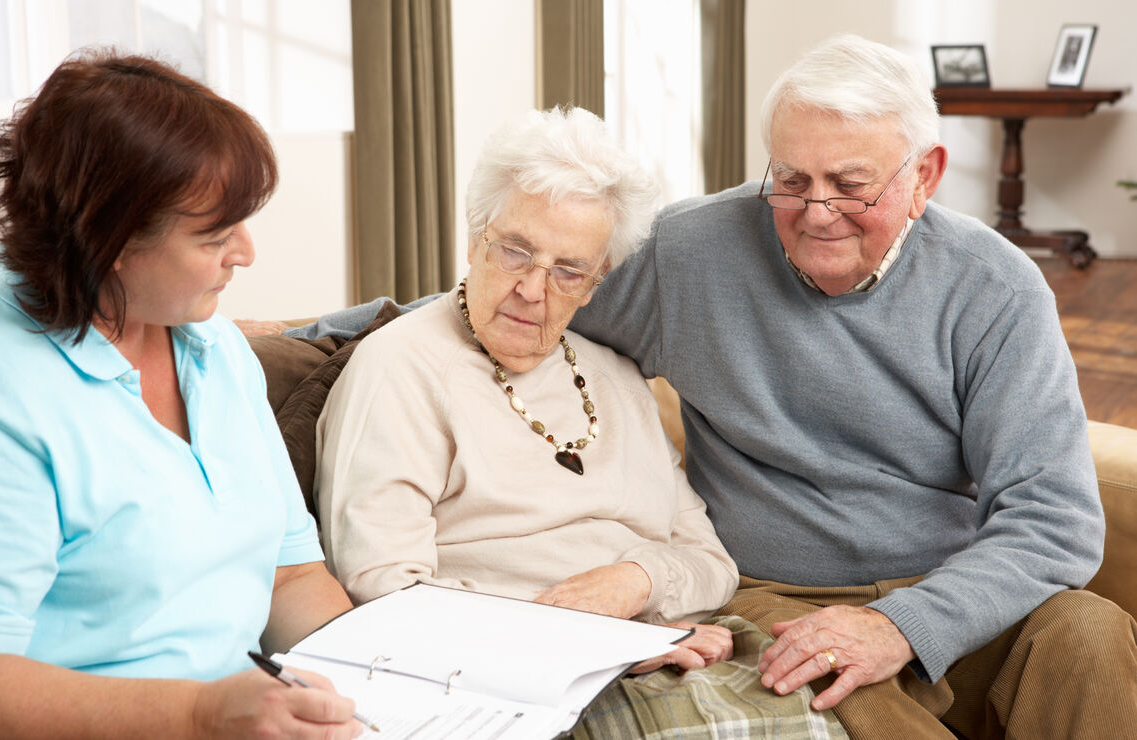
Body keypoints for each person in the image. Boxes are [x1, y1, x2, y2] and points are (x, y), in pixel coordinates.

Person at [289, 36, 1137, 738]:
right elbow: (531, 287)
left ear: (925, 176)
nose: (816, 212)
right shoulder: (695, 251)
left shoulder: (995, 288)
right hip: (772, 595)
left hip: (947, 585)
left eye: (852, 185)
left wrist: (902, 626)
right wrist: (306, 332)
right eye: (791, 180)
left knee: (1093, 637)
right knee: (823, 675)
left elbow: (1055, 521)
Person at [315, 107, 847, 739]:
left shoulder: (616, 376)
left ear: (598, 284)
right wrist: (583, 642)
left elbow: (710, 563)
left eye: (569, 270)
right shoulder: (399, 368)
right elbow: (383, 591)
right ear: (472, 239)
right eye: (515, 251)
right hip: (504, 675)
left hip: (658, 643)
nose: (533, 290)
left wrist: (635, 582)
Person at [0, 52, 365, 738]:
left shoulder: (212, 347)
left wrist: (384, 679)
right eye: (214, 235)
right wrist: (199, 715)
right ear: (111, 241)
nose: (245, 252)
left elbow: (289, 576)